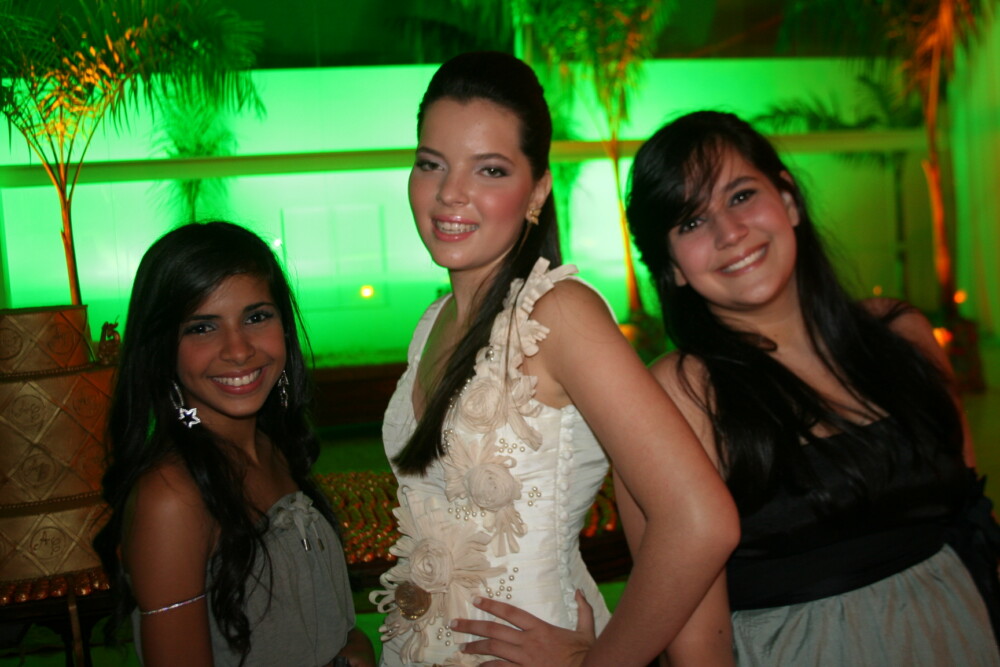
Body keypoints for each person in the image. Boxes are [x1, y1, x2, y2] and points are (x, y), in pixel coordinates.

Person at [369, 52, 739, 667]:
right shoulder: (432, 323)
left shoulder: (559, 313)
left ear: (538, 189)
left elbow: (701, 521)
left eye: (490, 170)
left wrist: (601, 663)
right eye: (430, 163)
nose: (450, 193)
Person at [625, 110, 1000, 665]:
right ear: (672, 267)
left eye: (741, 196)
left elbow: (972, 524)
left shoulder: (903, 334)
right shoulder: (680, 394)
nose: (730, 233)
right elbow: (697, 645)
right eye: (691, 222)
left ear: (789, 200)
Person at [94, 222, 374, 667]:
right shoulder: (172, 496)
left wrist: (352, 645)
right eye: (203, 327)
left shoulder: (273, 448)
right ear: (162, 347)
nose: (239, 350)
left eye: (256, 317)